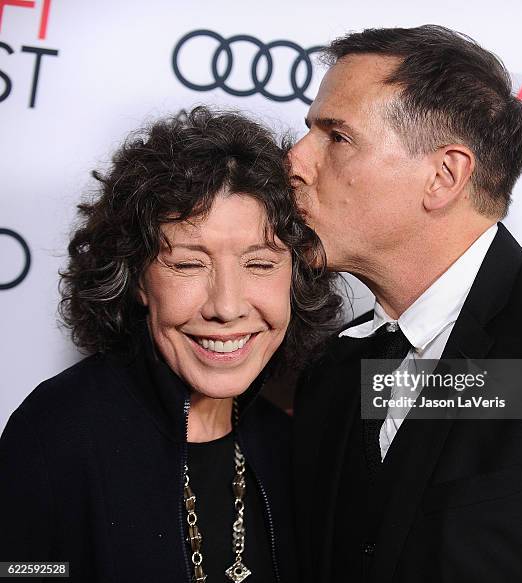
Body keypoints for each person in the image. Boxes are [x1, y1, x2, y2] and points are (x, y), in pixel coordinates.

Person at [289, 25, 522, 582]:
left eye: (335, 137)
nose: (294, 160)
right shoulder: (333, 370)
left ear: (443, 175)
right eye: (307, 133)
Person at [0, 106, 341, 582]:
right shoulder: (57, 431)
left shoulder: (295, 443)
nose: (226, 306)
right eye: (187, 264)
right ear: (137, 279)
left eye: (260, 264)